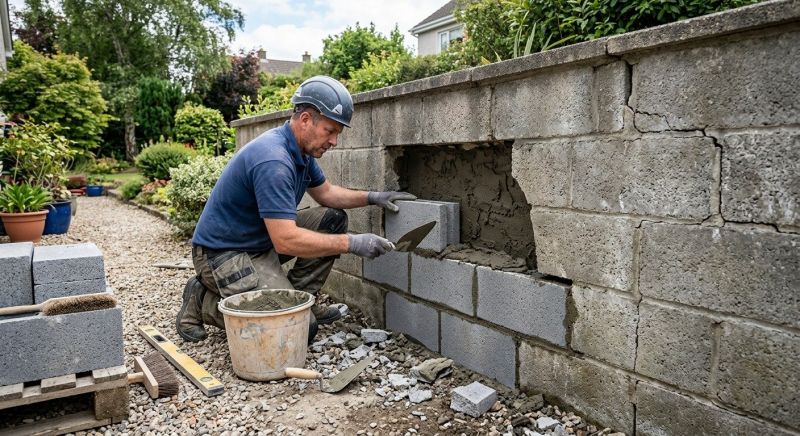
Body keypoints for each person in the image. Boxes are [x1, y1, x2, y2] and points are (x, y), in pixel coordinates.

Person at [176, 75, 415, 344]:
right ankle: (202, 300)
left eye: (338, 133)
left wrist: (375, 196)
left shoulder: (300, 150)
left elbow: (327, 194)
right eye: (330, 130)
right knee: (296, 330)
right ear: (305, 120)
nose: (335, 141)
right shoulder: (273, 160)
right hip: (223, 254)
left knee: (332, 219)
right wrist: (352, 243)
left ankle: (301, 301)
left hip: (259, 242)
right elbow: (285, 239)